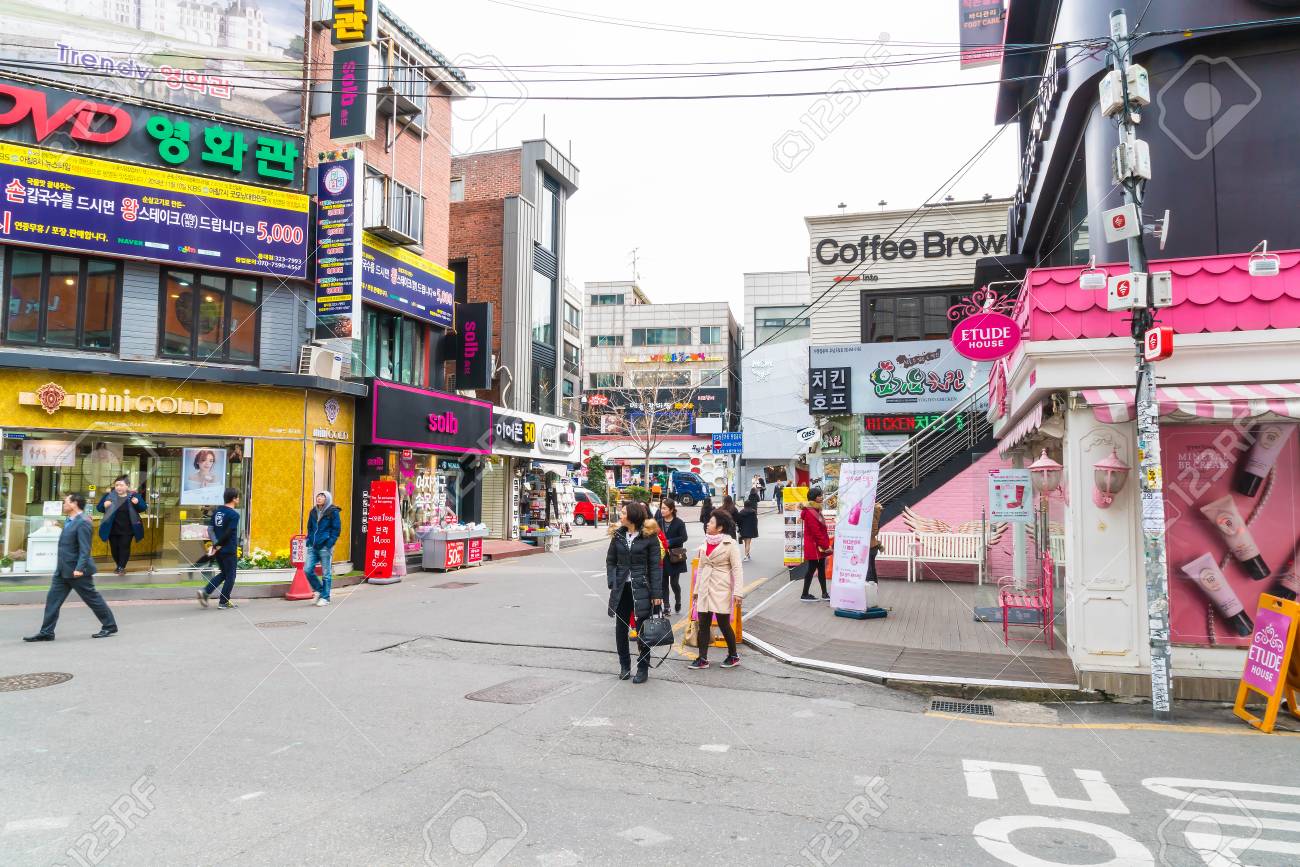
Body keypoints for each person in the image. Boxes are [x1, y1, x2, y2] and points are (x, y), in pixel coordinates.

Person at [24, 493, 118, 641]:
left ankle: (109, 625)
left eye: (65, 502)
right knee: (53, 601)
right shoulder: (70, 520)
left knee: (92, 598)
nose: (63, 505)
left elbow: (85, 549)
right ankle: (47, 632)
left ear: (74, 504)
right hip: (63, 570)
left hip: (77, 571)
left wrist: (79, 568)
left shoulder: (83, 522)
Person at [605, 501, 664, 684]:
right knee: (620, 628)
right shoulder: (618, 535)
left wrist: (657, 594)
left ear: (632, 516)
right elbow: (610, 560)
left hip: (642, 588)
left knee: (642, 631)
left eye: (623, 513)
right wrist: (613, 581)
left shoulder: (650, 536)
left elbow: (655, 567)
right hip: (622, 589)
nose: (620, 516)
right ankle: (624, 666)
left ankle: (642, 668)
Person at [687, 510, 741, 670]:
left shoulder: (730, 544)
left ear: (720, 527)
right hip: (705, 587)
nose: (707, 525)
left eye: (711, 523)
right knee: (703, 623)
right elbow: (701, 568)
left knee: (724, 623)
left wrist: (738, 592)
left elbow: (737, 569)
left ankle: (733, 655)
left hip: (721, 587)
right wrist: (696, 590)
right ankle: (702, 658)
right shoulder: (705, 543)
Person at [197, 488, 241, 609]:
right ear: (234, 499)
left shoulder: (217, 512)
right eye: (237, 497)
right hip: (229, 549)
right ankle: (223, 602)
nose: (238, 499)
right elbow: (228, 533)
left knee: (224, 574)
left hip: (218, 550)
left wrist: (215, 545)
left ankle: (205, 592)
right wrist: (218, 545)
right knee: (231, 576)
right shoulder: (234, 515)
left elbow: (210, 529)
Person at [97, 475, 147, 576]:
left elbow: (143, 508)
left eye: (121, 485)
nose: (118, 487)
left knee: (124, 547)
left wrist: (137, 503)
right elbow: (99, 508)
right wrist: (104, 505)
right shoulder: (109, 496)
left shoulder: (134, 495)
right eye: (117, 485)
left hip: (128, 528)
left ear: (127, 486)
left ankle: (121, 567)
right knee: (114, 549)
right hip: (112, 528)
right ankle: (119, 565)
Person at [304, 491, 341, 607]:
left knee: (326, 573)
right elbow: (310, 527)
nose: (319, 498)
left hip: (325, 547)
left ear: (327, 499)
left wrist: (329, 544)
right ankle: (321, 591)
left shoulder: (333, 512)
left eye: (322, 497)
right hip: (313, 546)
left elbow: (336, 529)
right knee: (307, 570)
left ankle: (325, 598)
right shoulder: (313, 511)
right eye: (318, 496)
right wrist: (309, 540)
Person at [800, 487, 832, 602]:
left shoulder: (815, 509)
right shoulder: (811, 512)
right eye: (819, 496)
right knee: (812, 569)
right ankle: (805, 594)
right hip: (814, 546)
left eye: (821, 495)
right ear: (813, 497)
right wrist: (825, 546)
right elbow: (816, 532)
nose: (821, 497)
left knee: (820, 569)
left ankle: (824, 593)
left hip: (817, 545)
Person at [656, 499, 689, 612]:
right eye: (661, 508)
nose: (662, 510)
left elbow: (684, 537)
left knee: (674, 583)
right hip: (662, 556)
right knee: (663, 583)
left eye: (664, 508)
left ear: (671, 510)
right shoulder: (658, 522)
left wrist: (670, 541)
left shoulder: (679, 523)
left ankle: (678, 600)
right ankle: (666, 606)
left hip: (675, 556)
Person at [737, 493, 759, 561]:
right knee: (748, 543)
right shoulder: (753, 512)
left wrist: (739, 529)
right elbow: (755, 521)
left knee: (746, 543)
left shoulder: (741, 512)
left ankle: (747, 555)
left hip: (743, 529)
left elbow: (739, 521)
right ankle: (746, 556)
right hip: (750, 529)